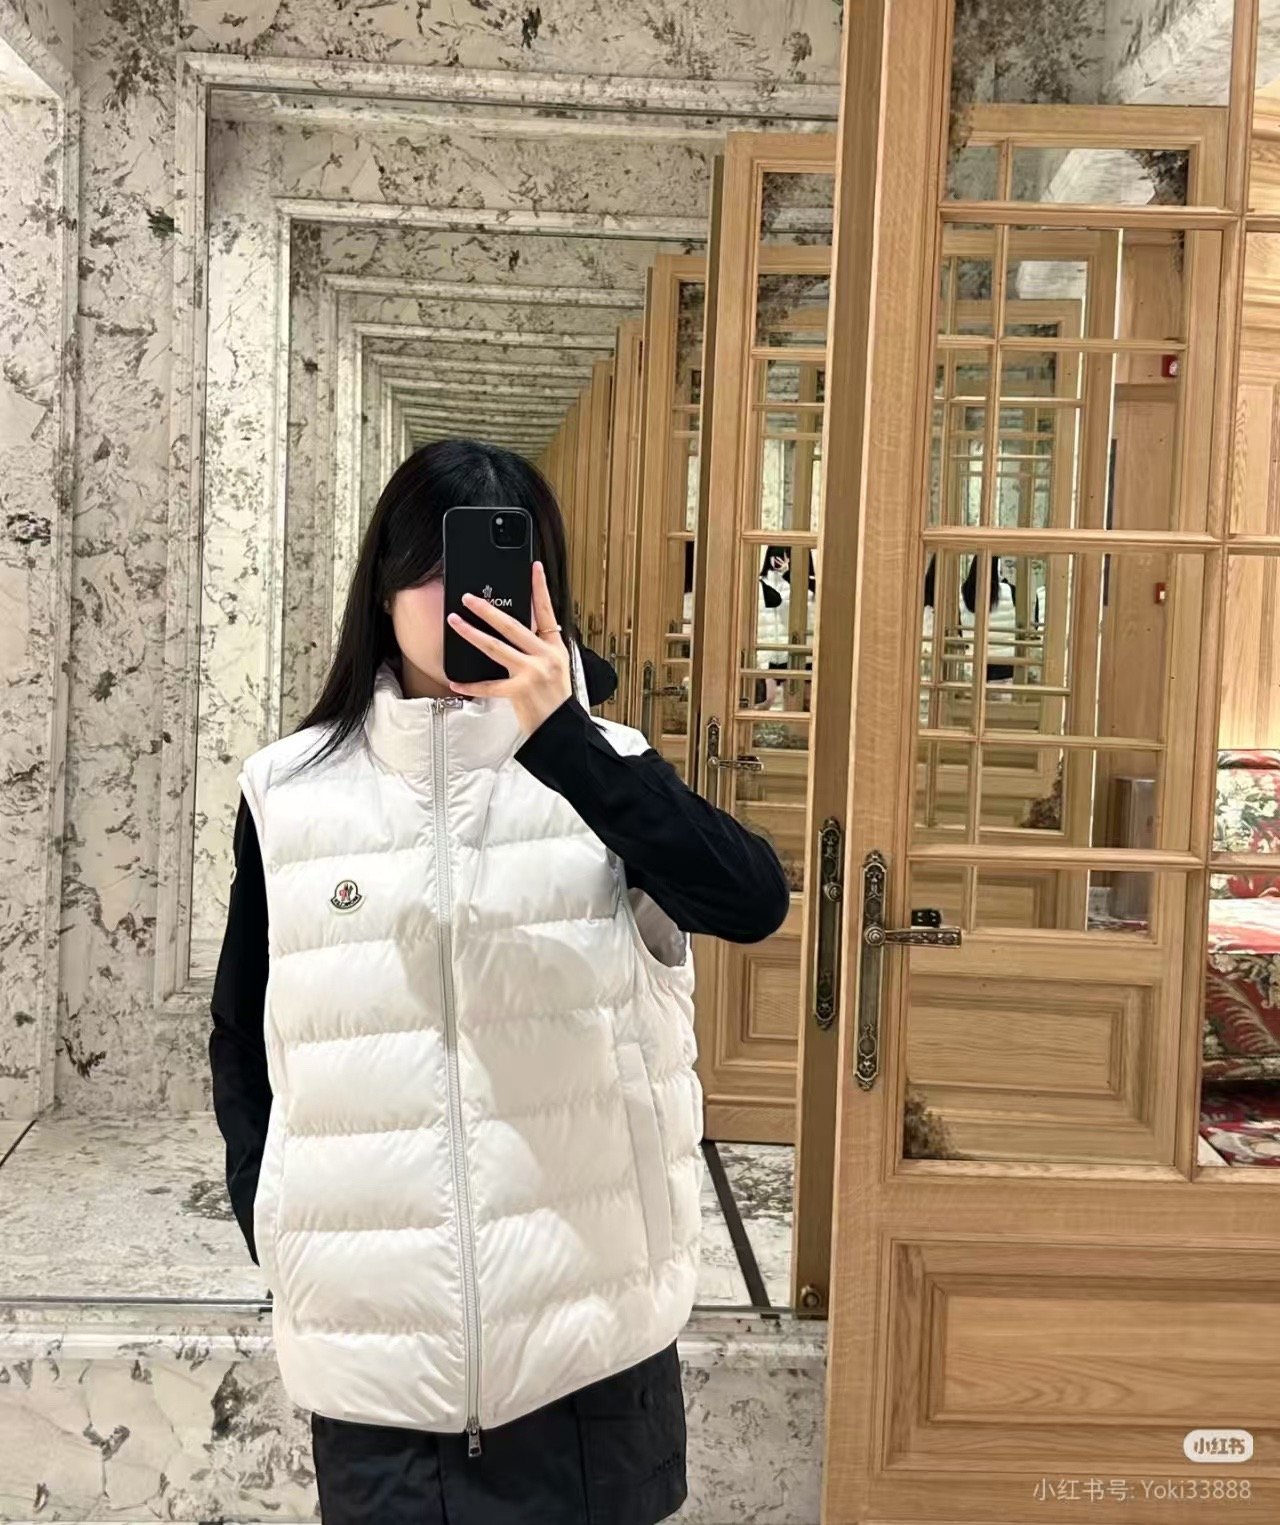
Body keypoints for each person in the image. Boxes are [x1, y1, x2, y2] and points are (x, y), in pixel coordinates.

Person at [208, 439, 791, 1525]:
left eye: (492, 573)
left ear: (544, 593)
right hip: (375, 1364)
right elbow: (240, 1032)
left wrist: (563, 740)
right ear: (382, 590)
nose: (461, 603)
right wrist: (274, 1216)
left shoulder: (606, 772)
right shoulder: (285, 791)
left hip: (592, 1354)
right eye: (431, 572)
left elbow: (751, 900)